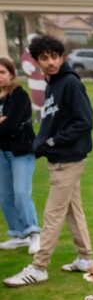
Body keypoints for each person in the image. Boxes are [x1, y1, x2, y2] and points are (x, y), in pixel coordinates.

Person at [5, 35, 93, 287]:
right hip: (59, 159)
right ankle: (86, 258)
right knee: (72, 210)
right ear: (36, 61)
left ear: (62, 57)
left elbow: (84, 122)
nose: (50, 62)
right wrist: (41, 144)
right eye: (44, 58)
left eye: (54, 56)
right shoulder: (53, 84)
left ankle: (39, 266)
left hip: (68, 159)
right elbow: (52, 121)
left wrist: (52, 142)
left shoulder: (69, 83)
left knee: (52, 214)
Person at [0, 56, 40, 253]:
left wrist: (4, 122)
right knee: (5, 196)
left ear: (11, 74)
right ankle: (18, 233)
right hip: (2, 152)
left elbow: (11, 125)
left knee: (22, 193)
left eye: (2, 72)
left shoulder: (19, 95)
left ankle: (33, 234)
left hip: (21, 151)